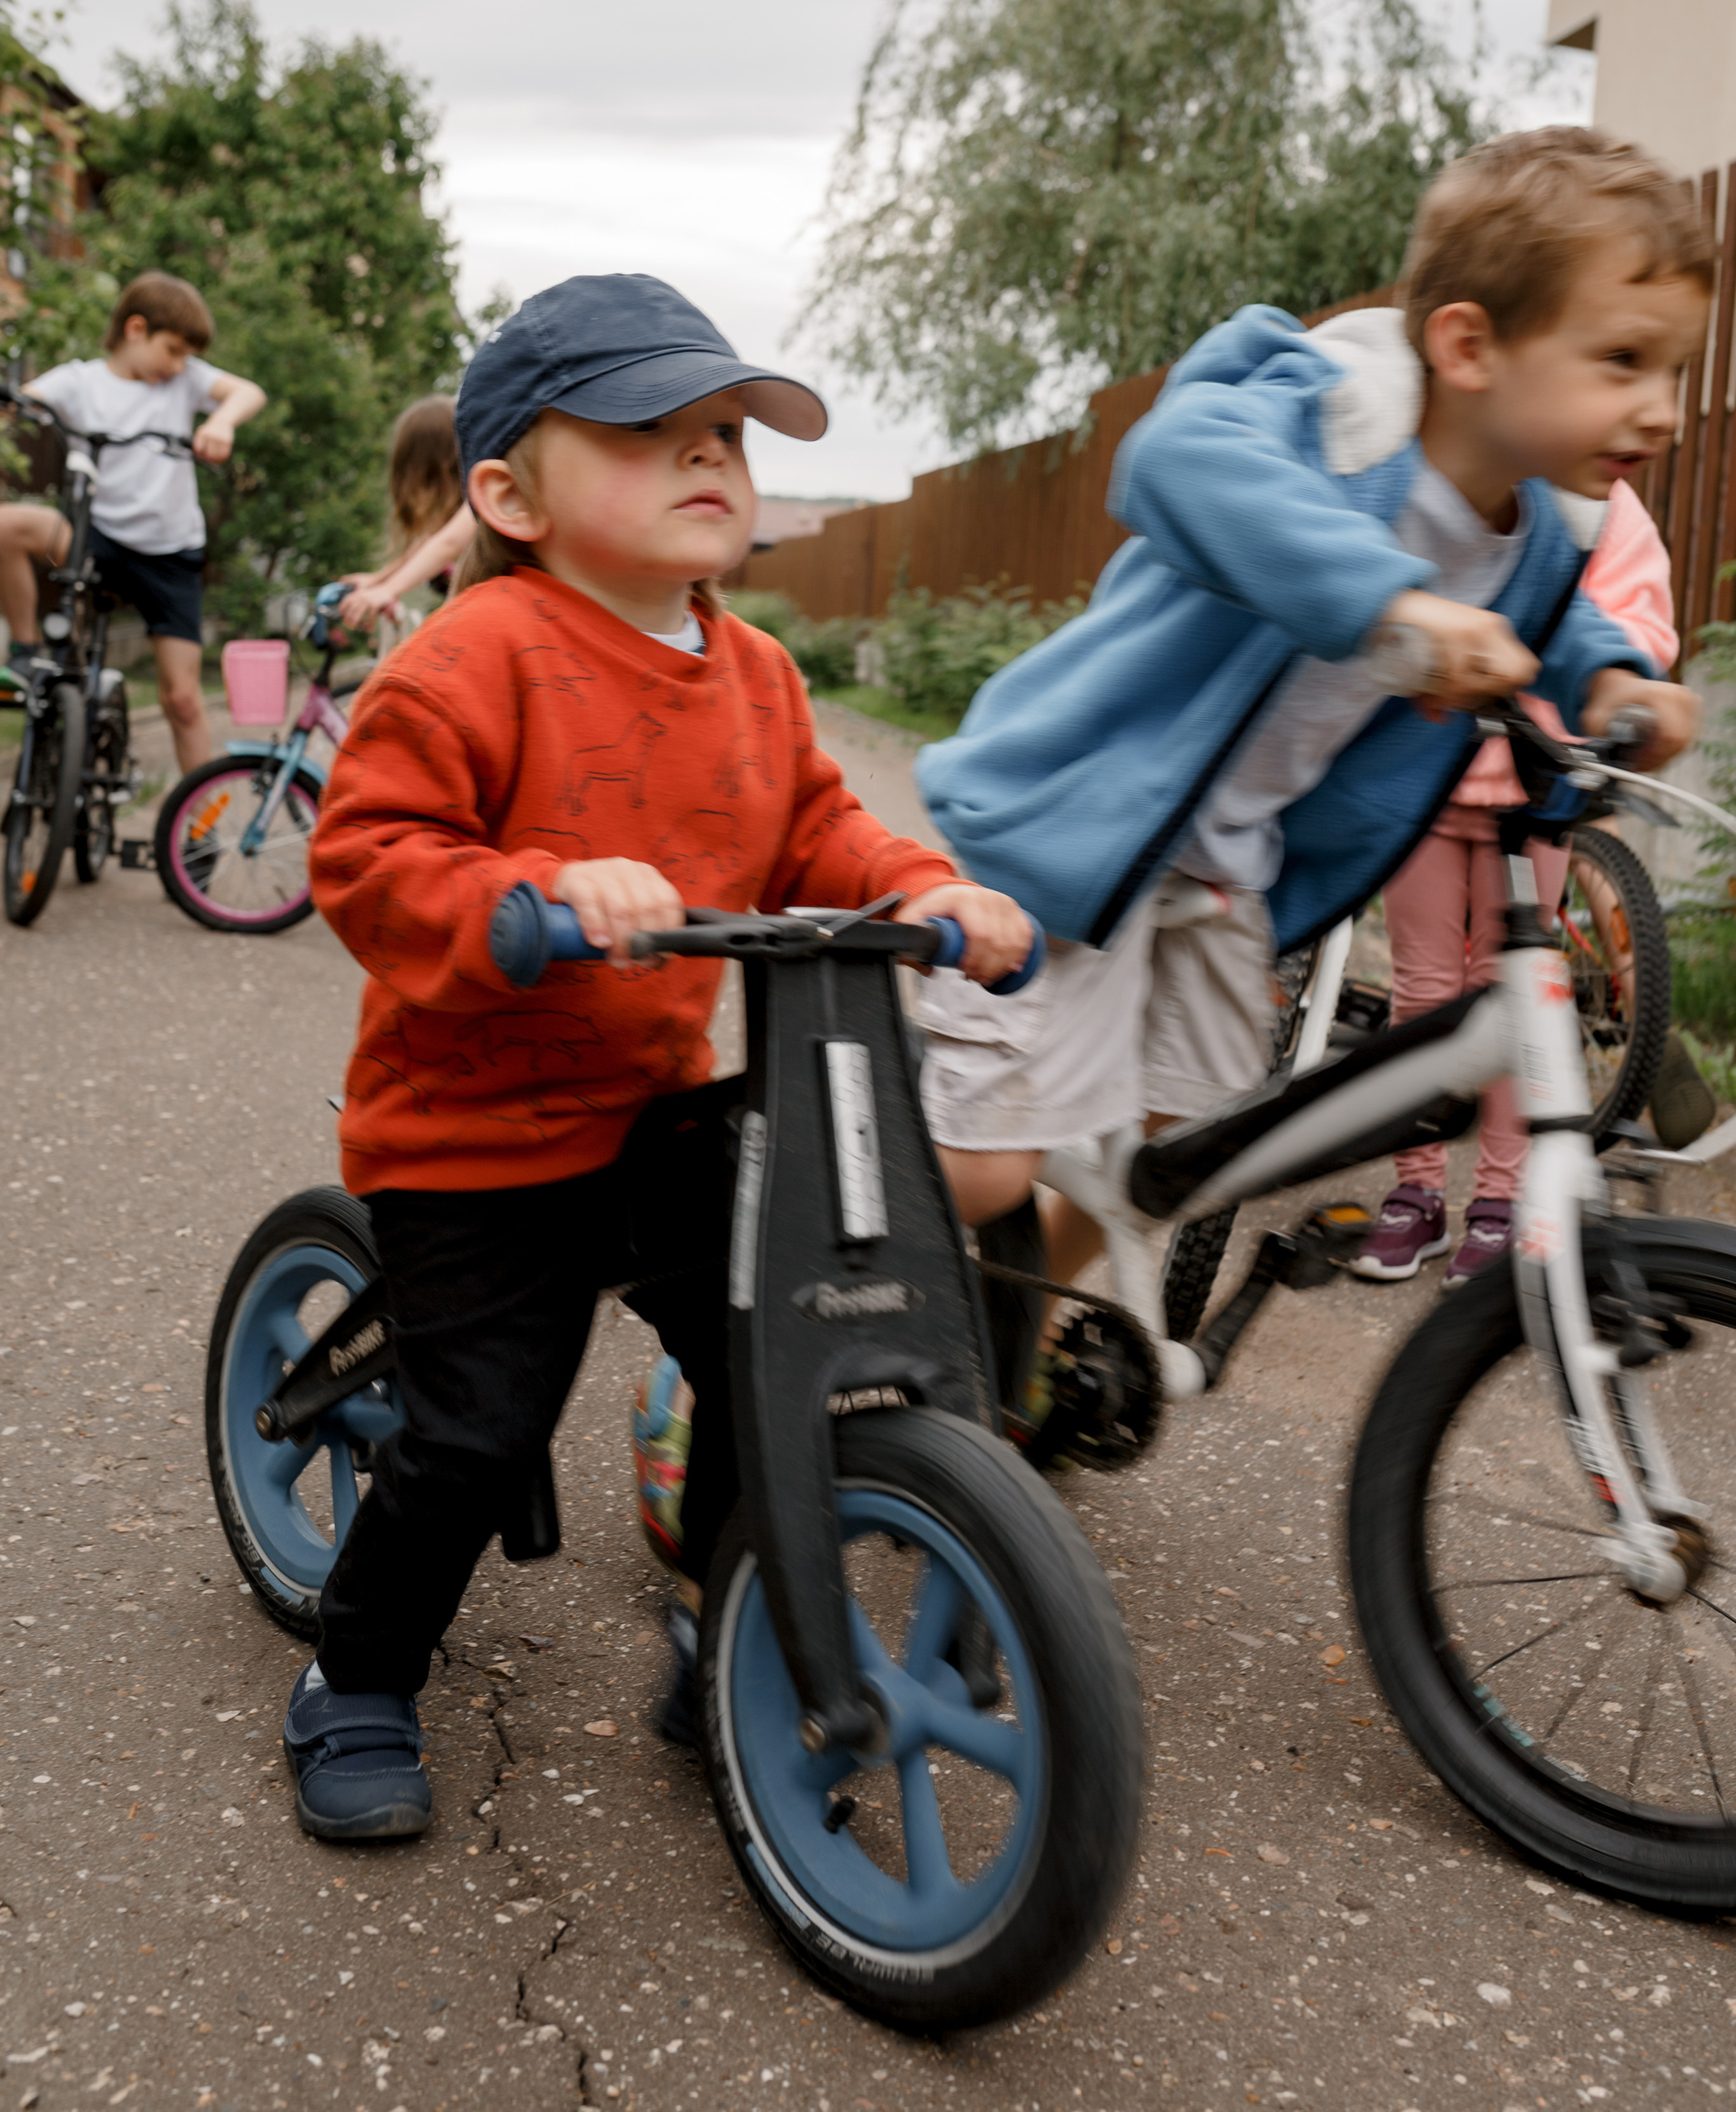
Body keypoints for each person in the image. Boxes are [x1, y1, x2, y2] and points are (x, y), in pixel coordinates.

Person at [288, 271, 1029, 1843]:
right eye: (647, 432)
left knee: (782, 1371)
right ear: (507, 492)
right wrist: (533, 893)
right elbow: (368, 855)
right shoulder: (471, 656)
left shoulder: (750, 668)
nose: (708, 459)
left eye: (725, 435)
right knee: (479, 1429)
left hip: (652, 1110)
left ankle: (736, 1626)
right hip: (471, 1137)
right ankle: (356, 1671)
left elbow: (812, 826)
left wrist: (918, 887)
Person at [912, 128, 1708, 1326]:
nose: (1664, 409)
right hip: (1083, 829)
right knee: (983, 1168)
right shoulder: (1341, 413)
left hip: (1234, 869)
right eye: (1624, 360)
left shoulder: (1543, 530)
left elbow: (1554, 634)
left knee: (1181, 1153)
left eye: (1676, 374)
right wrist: (1391, 605)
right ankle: (824, 1290)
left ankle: (996, 1343)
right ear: (1470, 345)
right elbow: (1177, 462)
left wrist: (1614, 689)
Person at [1361, 475, 1682, 1288]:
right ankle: (1417, 1193)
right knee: (1423, 990)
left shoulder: (1605, 511)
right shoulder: (1468, 475)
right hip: (1426, 770)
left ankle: (1498, 1202)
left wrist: (1604, 683)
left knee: (1508, 999)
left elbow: (1634, 623)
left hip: (1536, 781)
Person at [0, 273, 266, 771]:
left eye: (187, 355)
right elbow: (21, 404)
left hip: (170, 552)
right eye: (173, 350)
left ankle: (198, 827)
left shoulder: (185, 380)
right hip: (94, 539)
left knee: (182, 701)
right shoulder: (79, 382)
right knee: (6, 526)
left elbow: (248, 392)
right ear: (136, 329)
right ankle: (25, 650)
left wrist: (222, 421)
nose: (179, 364)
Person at [336, 393, 475, 634]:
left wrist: (389, 590)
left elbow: (449, 543)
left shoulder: (481, 497)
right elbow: (427, 543)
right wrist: (379, 579)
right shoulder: (455, 510)